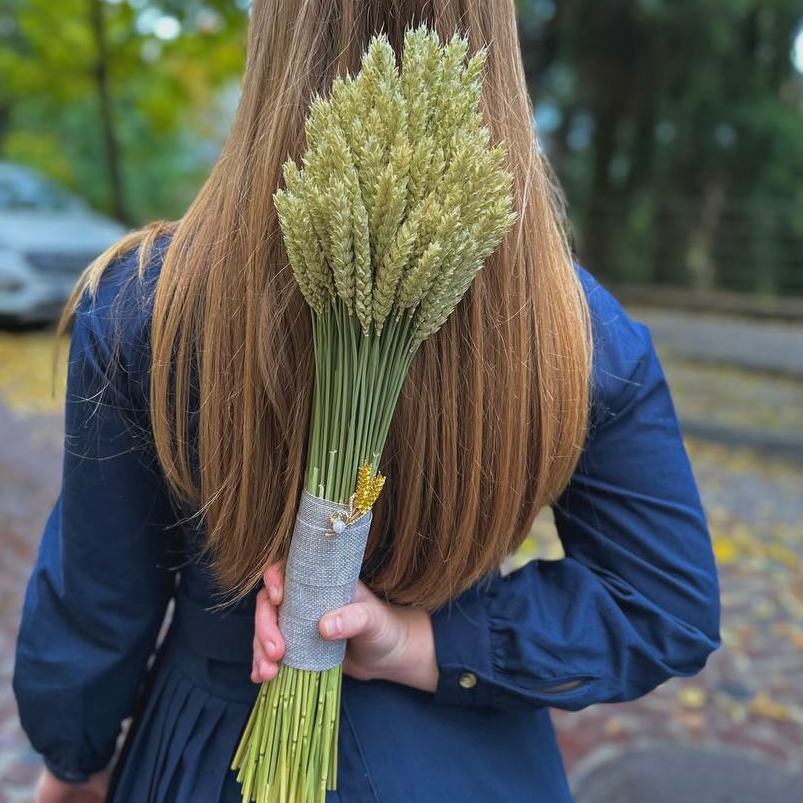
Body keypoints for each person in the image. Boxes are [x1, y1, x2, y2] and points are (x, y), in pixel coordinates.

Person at [13, 1, 721, 801]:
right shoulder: (573, 328)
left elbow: (97, 603)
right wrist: (421, 643)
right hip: (466, 766)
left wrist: (72, 764)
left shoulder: (148, 301)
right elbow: (662, 603)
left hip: (208, 751)